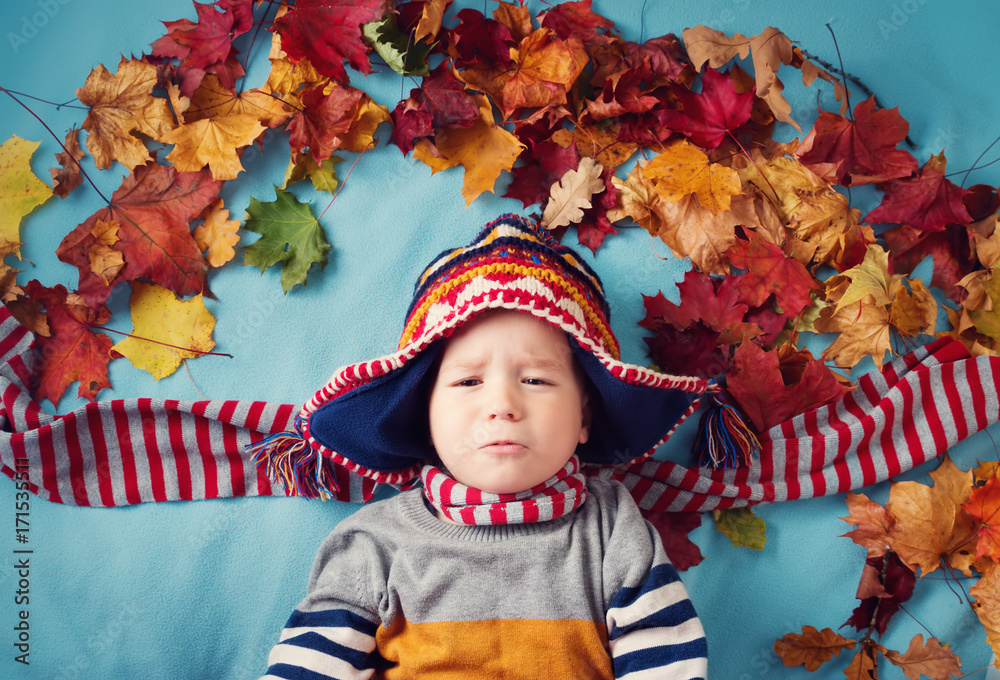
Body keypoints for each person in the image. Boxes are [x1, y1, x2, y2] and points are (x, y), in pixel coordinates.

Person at [253, 213, 712, 679]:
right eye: (469, 380)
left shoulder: (611, 530)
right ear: (426, 419)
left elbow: (666, 659)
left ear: (584, 418)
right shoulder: (375, 543)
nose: (502, 405)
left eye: (535, 379)